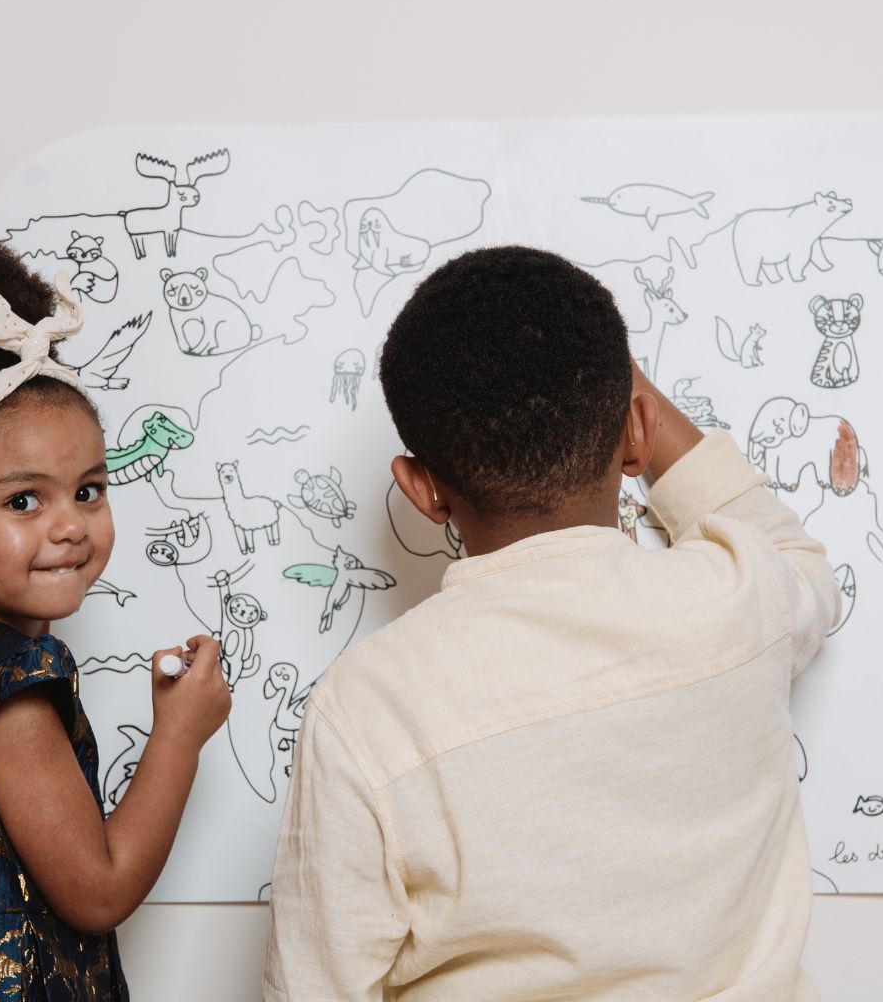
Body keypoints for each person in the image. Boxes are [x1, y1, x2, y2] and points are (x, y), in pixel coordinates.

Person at [264, 246, 840, 1001]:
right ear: (638, 428)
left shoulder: (366, 707)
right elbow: (801, 560)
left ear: (420, 490)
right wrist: (629, 400)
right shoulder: (739, 596)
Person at [0, 240, 231, 999]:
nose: (71, 527)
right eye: (24, 500)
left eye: (88, 490)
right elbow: (100, 890)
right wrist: (179, 734)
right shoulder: (9, 689)